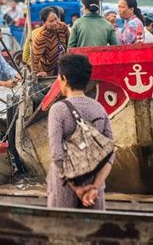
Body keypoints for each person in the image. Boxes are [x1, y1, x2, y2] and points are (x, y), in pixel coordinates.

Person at [47, 54, 114, 209]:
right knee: (94, 231)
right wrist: (95, 187)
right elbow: (110, 151)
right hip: (94, 189)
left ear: (63, 78)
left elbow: (57, 155)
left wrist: (77, 188)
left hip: (64, 189)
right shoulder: (99, 107)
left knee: (63, 231)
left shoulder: (58, 110)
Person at [32, 7, 69, 76]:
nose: (55, 23)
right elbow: (34, 59)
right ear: (44, 23)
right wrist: (38, 73)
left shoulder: (63, 27)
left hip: (64, 67)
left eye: (56, 19)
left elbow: (69, 45)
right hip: (48, 72)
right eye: (51, 21)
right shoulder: (41, 37)